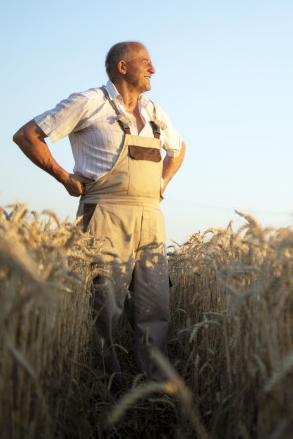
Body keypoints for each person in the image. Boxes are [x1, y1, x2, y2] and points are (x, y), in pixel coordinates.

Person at [13, 41, 186, 387]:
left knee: (155, 307)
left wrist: (161, 184)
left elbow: (179, 149)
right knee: (102, 306)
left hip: (151, 219)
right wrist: (64, 177)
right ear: (122, 67)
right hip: (104, 214)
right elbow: (28, 135)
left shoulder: (154, 112)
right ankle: (102, 389)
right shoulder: (89, 102)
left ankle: (153, 388)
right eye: (147, 63)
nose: (154, 70)